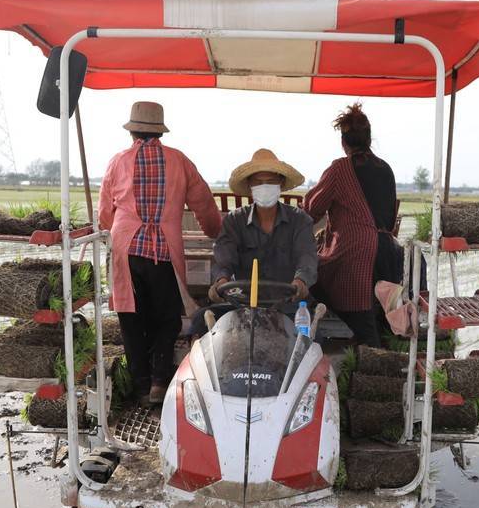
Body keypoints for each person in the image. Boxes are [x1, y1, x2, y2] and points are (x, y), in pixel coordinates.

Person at [98, 101, 222, 406]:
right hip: (163, 249)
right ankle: (158, 382)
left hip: (125, 249)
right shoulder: (179, 161)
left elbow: (104, 213)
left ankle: (140, 386)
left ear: (132, 132)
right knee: (166, 318)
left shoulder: (117, 162)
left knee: (131, 317)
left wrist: (108, 230)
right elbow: (203, 202)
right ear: (159, 132)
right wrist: (214, 231)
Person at [304, 103, 400, 347]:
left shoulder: (340, 169)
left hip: (356, 254)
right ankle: (371, 349)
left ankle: (367, 356)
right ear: (369, 139)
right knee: (370, 322)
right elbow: (388, 219)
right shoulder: (386, 168)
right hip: (389, 253)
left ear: (343, 142)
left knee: (311, 274)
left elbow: (311, 209)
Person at [199, 149, 317, 333]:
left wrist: (300, 282)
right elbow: (224, 261)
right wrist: (221, 281)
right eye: (258, 182)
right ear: (250, 186)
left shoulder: (300, 220)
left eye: (270, 182)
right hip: (243, 305)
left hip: (288, 306)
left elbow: (307, 259)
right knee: (200, 321)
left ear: (281, 183)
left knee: (309, 343)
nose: (265, 186)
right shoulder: (234, 221)